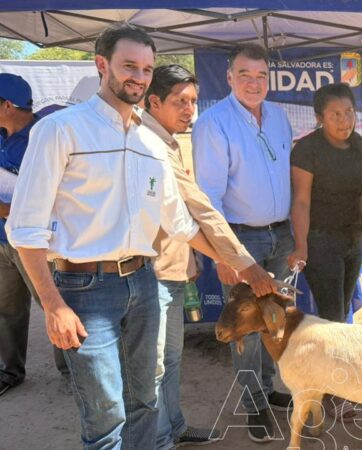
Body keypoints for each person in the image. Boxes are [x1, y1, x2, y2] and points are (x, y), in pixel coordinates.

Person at [5, 23, 225, 449]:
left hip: (145, 283)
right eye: (129, 66)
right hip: (84, 290)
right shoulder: (61, 130)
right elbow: (24, 228)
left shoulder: (149, 141)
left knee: (146, 399)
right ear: (101, 64)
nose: (139, 77)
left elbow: (178, 223)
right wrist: (53, 306)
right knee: (106, 414)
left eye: (146, 69)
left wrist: (241, 265)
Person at [143, 64, 279, 448]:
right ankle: (160, 440)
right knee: (153, 367)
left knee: (169, 363)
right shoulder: (149, 144)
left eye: (192, 102)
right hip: (148, 274)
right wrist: (245, 264)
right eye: (179, 102)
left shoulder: (166, 141)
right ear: (153, 101)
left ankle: (174, 428)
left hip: (169, 269)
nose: (188, 110)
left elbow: (185, 219)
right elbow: (199, 209)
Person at [193, 42, 294, 442]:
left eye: (261, 76)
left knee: (273, 318)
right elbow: (208, 197)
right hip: (241, 237)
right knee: (246, 325)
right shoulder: (213, 123)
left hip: (281, 233)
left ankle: (268, 388)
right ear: (230, 77)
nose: (253, 83)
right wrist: (227, 253)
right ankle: (253, 402)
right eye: (245, 75)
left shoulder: (280, 117)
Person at [287, 82, 362, 421]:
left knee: (343, 312)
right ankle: (335, 391)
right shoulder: (307, 150)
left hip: (352, 242)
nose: (344, 119)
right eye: (335, 114)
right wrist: (302, 245)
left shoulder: (358, 144)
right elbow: (301, 200)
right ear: (320, 117)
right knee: (333, 316)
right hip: (321, 242)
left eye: (349, 112)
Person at [0, 73, 70, 397]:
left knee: (54, 304)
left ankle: (72, 371)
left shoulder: (43, 137)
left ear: (8, 105)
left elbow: (53, 199)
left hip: (37, 243)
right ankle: (9, 371)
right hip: (3, 241)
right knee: (6, 308)